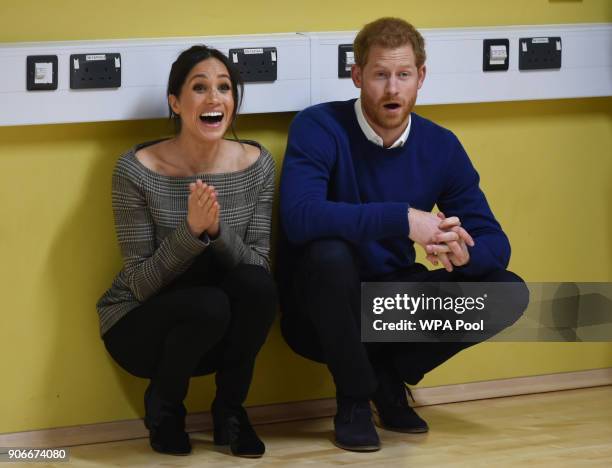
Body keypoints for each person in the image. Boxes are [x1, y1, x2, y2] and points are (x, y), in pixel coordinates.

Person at [278, 17, 528, 452]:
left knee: (507, 290)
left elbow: (495, 241)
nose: (392, 89)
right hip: (317, 314)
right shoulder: (318, 127)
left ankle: (385, 377)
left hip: (388, 306)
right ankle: (354, 398)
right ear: (357, 76)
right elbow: (300, 217)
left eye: (403, 75)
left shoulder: (440, 146)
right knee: (329, 255)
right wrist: (405, 220)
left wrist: (465, 253)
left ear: (421, 78)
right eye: (380, 75)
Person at [97, 45, 277, 458]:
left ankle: (230, 413)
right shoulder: (136, 170)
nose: (215, 98)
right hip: (140, 324)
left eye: (224, 88)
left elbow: (260, 270)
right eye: (200, 87)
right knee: (209, 303)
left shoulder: (258, 165)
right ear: (175, 103)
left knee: (256, 286)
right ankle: (164, 410)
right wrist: (191, 231)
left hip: (218, 326)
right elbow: (140, 283)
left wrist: (215, 229)